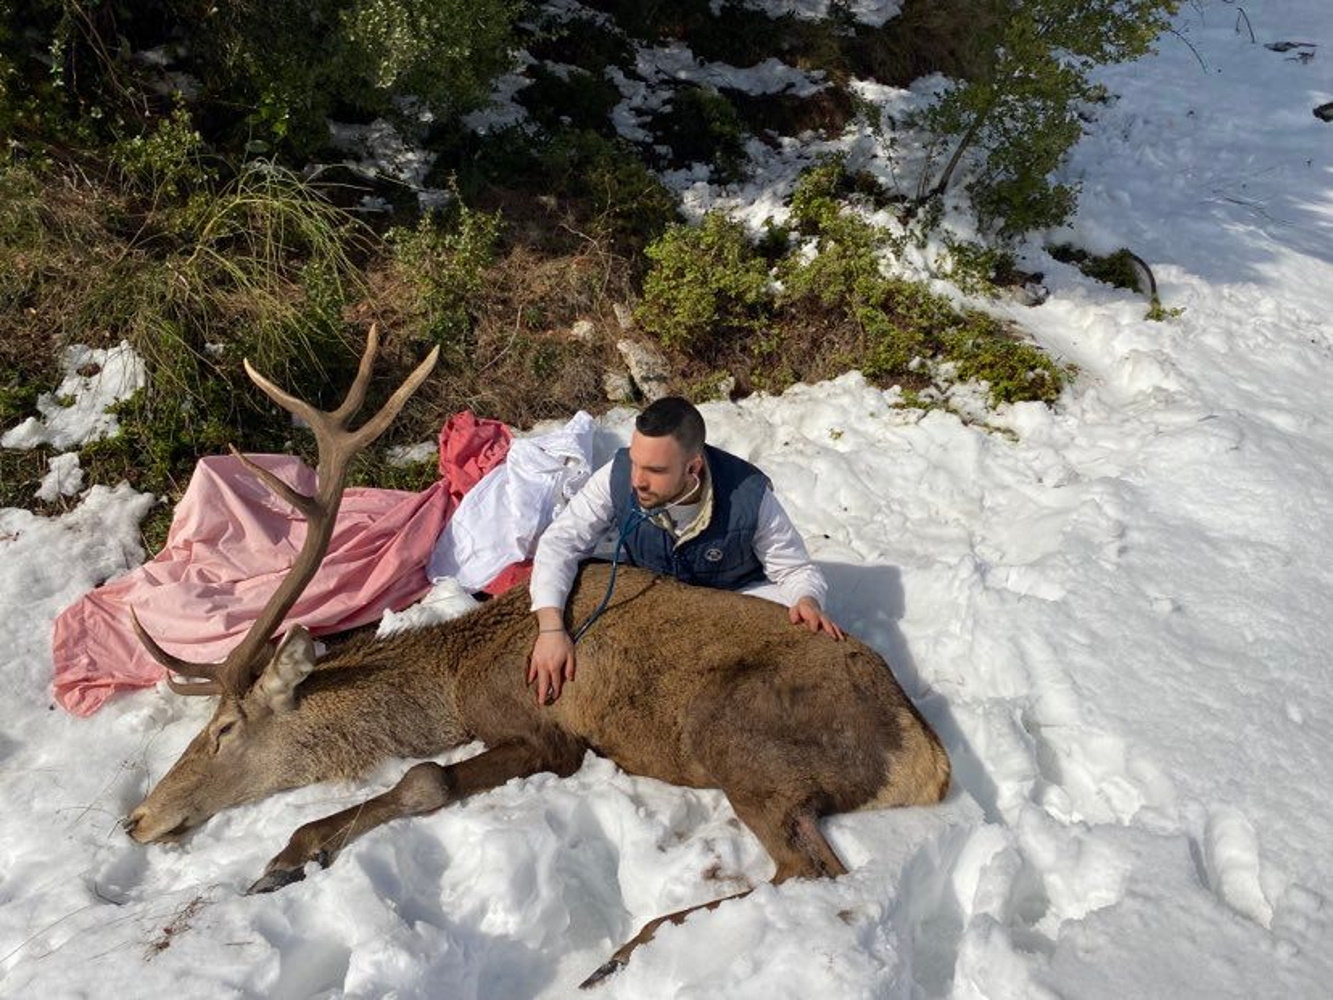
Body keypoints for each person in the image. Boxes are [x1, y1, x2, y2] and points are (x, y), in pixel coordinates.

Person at [528, 396, 843, 705]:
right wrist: (552, 629)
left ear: (693, 467)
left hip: (732, 606)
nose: (637, 480)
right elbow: (561, 542)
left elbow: (796, 570)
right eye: (636, 462)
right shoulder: (618, 474)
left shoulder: (751, 496)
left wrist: (807, 599)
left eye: (654, 470)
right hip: (661, 606)